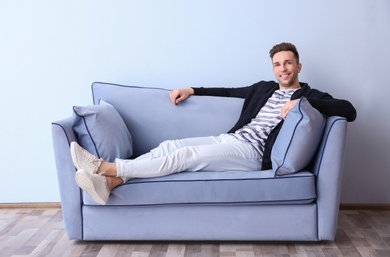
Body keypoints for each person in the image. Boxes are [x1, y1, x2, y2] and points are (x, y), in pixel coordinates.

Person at [71, 42, 357, 205]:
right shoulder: (264, 88)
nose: (283, 69)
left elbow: (348, 109)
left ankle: (106, 167)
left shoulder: (310, 95)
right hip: (232, 140)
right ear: (273, 69)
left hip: (254, 155)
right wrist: (192, 89)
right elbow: (229, 92)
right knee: (170, 145)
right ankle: (112, 182)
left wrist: (301, 103)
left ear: (298, 66)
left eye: (288, 63)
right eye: (278, 64)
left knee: (184, 157)